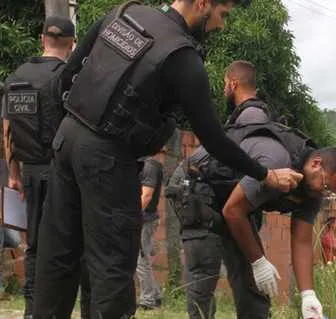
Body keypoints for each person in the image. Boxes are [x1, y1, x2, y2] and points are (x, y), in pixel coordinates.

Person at [33, 1, 303, 318]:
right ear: (203, 4)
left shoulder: (124, 12)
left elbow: (67, 77)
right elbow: (214, 139)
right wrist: (265, 175)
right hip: (108, 159)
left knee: (57, 258)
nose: (221, 26)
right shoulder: (182, 57)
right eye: (222, 15)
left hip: (67, 140)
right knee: (113, 269)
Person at [168, 121, 336, 319]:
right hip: (198, 181)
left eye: (330, 191)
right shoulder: (276, 161)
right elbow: (232, 211)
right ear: (316, 164)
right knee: (205, 267)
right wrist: (258, 261)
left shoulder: (312, 191)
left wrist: (308, 296)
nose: (323, 193)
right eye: (325, 187)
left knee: (254, 283)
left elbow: (302, 241)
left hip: (233, 197)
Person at [169, 59, 273, 319]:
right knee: (213, 276)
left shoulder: (251, 117)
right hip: (209, 198)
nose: (225, 89)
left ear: (232, 83)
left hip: (216, 198)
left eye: (226, 84)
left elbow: (240, 163)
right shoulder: (248, 116)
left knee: (212, 277)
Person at [1, 16, 90, 319]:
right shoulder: (70, 77)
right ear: (72, 44)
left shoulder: (16, 77)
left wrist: (14, 175)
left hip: (28, 173)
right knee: (65, 246)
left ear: (42, 39)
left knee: (34, 245)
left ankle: (31, 310)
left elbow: (7, 129)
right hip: (62, 174)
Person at [136, 152, 164, 310]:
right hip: (144, 218)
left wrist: (133, 217)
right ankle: (155, 295)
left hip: (144, 220)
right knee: (143, 260)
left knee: (141, 261)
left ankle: (148, 301)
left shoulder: (149, 165)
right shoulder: (144, 163)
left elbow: (146, 195)